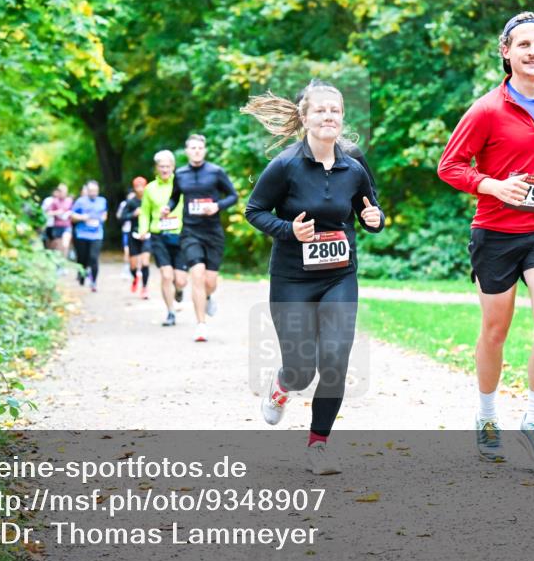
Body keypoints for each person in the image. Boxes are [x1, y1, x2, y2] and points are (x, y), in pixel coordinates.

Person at [437, 11, 534, 470]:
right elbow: (450, 166)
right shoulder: (486, 109)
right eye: (524, 45)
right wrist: (492, 185)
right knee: (496, 330)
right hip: (495, 234)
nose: (533, 52)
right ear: (506, 52)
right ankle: (485, 418)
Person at [243, 79, 385, 475]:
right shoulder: (285, 165)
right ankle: (282, 384)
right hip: (292, 278)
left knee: (336, 360)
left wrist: (375, 219)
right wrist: (290, 231)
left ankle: (318, 445)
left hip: (339, 276)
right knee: (302, 369)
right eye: (320, 110)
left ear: (342, 118)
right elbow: (254, 211)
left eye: (335, 110)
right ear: (305, 118)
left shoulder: (353, 162)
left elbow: (369, 209)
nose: (328, 116)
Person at [162, 134, 238, 342]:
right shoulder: (181, 174)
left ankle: (207, 296)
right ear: (186, 151)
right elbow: (175, 196)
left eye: (199, 148)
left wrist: (217, 206)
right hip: (190, 232)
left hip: (213, 232)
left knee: (209, 281)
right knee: (196, 275)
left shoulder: (216, 172)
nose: (196, 151)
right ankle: (201, 325)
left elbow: (233, 196)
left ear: (204, 151)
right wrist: (168, 207)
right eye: (192, 148)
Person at [138, 150, 189, 323]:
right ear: (156, 168)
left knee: (180, 280)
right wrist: (143, 229)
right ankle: (170, 312)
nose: (165, 169)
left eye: (168, 166)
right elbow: (144, 212)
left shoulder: (181, 183)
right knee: (166, 275)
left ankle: (179, 291)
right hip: (159, 235)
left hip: (181, 234)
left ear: (173, 167)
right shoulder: (150, 188)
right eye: (161, 166)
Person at [70, 180, 108, 292]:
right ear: (87, 190)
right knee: (83, 258)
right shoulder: (80, 201)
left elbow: (105, 213)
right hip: (82, 234)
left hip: (97, 234)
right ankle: (82, 275)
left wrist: (102, 219)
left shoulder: (102, 201)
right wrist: (82, 218)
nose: (93, 193)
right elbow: (72, 215)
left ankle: (94, 282)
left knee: (93, 258)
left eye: (95, 191)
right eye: (91, 191)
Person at [118, 179, 150, 293]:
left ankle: (145, 288)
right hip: (133, 235)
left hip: (147, 234)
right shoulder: (131, 202)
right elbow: (121, 217)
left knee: (145, 262)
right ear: (134, 188)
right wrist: (133, 214)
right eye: (137, 186)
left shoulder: (150, 200)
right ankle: (135, 277)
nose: (140, 189)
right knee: (133, 266)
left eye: (142, 186)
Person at [43, 184, 73, 258]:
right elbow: (48, 213)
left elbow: (74, 212)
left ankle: (64, 263)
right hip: (57, 227)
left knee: (65, 244)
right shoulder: (54, 201)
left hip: (67, 226)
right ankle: (59, 265)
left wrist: (69, 214)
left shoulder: (69, 201)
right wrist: (57, 212)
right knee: (58, 247)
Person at [116, 188, 135, 276]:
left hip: (136, 230)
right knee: (127, 250)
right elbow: (118, 215)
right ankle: (126, 268)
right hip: (126, 230)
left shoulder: (138, 202)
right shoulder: (124, 204)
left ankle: (135, 269)